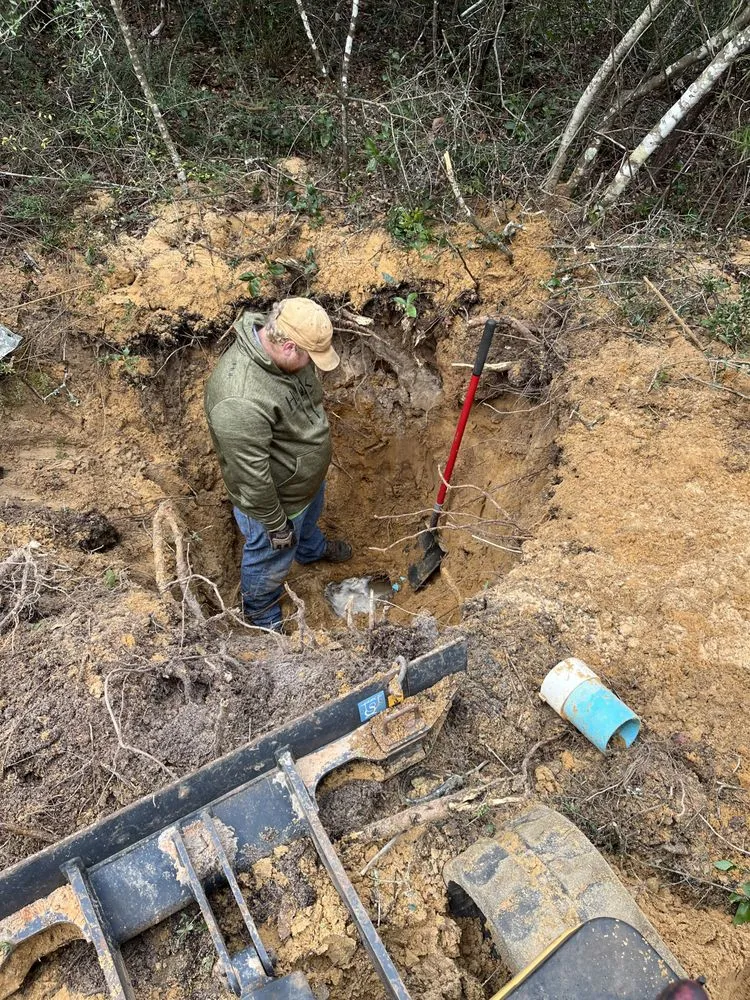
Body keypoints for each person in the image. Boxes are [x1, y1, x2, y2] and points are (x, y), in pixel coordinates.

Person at [205, 297, 352, 631]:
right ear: (288, 346)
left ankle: (310, 549)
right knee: (269, 557)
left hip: (303, 482)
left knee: (308, 522)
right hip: (277, 505)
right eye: (309, 358)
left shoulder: (285, 352)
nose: (311, 366)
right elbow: (251, 477)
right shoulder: (239, 399)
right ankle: (260, 613)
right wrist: (276, 525)